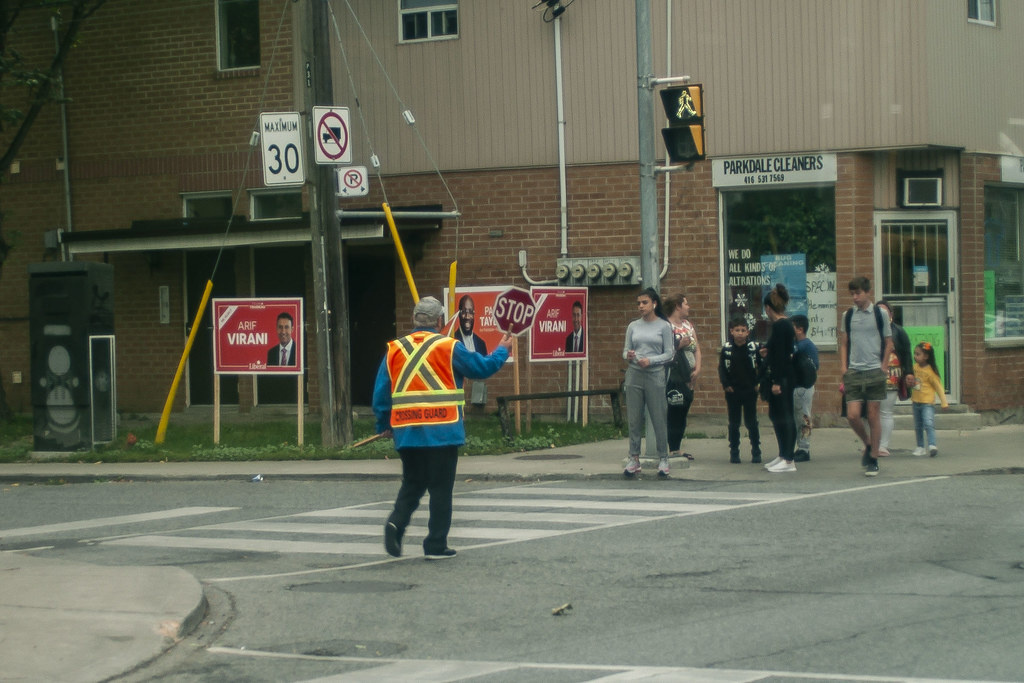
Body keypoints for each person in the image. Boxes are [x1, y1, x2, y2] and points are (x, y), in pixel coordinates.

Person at [374, 296, 512, 560]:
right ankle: (436, 544)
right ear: (439, 321)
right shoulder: (449, 347)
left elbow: (381, 393)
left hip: (409, 433)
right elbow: (480, 368)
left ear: (414, 319)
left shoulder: (395, 349)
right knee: (440, 489)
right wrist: (503, 350)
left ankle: (396, 523)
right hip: (443, 431)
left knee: (412, 484)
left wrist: (384, 424)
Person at [838, 276, 893, 477]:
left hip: (874, 371)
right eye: (852, 294)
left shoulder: (880, 314)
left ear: (868, 292)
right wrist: (844, 367)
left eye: (858, 293)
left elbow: (889, 341)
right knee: (852, 415)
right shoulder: (848, 315)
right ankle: (869, 443)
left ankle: (874, 458)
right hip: (854, 370)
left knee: (873, 414)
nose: (855, 297)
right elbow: (844, 343)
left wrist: (884, 365)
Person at [622, 287, 675, 478]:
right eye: (638, 303)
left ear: (654, 304)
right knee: (634, 418)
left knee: (658, 416)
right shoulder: (633, 326)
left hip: (654, 375)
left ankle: (663, 458)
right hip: (635, 373)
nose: (640, 306)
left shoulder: (664, 326)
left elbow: (669, 353)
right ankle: (634, 458)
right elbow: (625, 350)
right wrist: (629, 356)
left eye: (644, 302)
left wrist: (651, 360)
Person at [761, 284, 799, 473]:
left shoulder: (781, 326)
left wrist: (777, 381)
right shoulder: (782, 325)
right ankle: (783, 454)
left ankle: (789, 458)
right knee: (776, 415)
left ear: (768, 308)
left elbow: (783, 356)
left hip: (782, 378)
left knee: (785, 416)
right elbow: (777, 351)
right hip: (780, 376)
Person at [717, 317, 762, 464]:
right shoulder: (727, 349)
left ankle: (756, 450)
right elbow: (722, 369)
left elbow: (761, 366)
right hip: (733, 391)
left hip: (750, 390)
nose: (740, 333)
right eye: (737, 330)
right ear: (731, 331)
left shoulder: (753, 348)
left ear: (748, 332)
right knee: (734, 423)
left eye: (743, 330)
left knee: (751, 422)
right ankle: (734, 451)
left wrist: (758, 383)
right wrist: (726, 384)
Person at [663, 293, 701, 462]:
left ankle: (677, 447)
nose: (688, 306)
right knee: (674, 410)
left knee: (684, 410)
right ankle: (672, 448)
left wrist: (698, 368)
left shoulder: (688, 325)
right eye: (686, 304)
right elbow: (662, 351)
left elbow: (697, 348)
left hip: (689, 375)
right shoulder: (665, 326)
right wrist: (678, 345)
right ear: (678, 306)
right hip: (674, 375)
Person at [876, 299, 914, 457]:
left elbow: (906, 354)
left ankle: (883, 445)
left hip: (891, 375)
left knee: (885, 411)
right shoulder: (869, 330)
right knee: (868, 411)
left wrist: (909, 373)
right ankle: (871, 443)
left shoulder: (899, 331)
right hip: (870, 373)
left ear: (891, 315)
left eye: (885, 312)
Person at [910, 341, 948, 456]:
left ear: (926, 356)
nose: (915, 356)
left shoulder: (931, 372)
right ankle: (920, 447)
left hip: (927, 403)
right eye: (915, 354)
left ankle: (932, 445)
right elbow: (911, 382)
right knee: (918, 426)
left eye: (918, 354)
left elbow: (939, 387)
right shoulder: (914, 368)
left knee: (928, 423)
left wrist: (944, 402)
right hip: (916, 401)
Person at [791, 314, 819, 462]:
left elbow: (814, 366)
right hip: (797, 387)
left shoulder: (804, 345)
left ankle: (804, 448)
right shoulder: (797, 344)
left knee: (803, 418)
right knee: (797, 418)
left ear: (800, 329)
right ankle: (799, 446)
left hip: (803, 387)